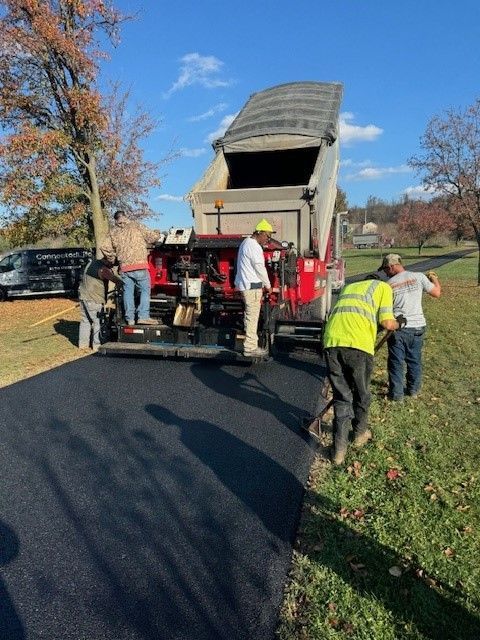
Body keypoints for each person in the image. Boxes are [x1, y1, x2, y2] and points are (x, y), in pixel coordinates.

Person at [323, 274, 400, 465]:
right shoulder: (383, 288)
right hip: (358, 346)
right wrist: (399, 322)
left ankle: (338, 453)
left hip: (331, 343)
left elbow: (355, 317)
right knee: (362, 394)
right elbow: (387, 323)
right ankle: (359, 435)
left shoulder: (349, 288)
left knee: (342, 397)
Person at [379, 253, 441, 401]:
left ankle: (397, 395)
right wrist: (434, 278)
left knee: (396, 362)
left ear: (392, 266)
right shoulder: (419, 277)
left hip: (398, 328)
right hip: (418, 327)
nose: (386, 273)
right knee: (414, 360)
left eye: (386, 270)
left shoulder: (388, 285)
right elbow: (437, 293)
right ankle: (413, 390)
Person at [100, 210, 164, 326]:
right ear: (125, 216)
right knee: (145, 290)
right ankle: (143, 316)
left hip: (124, 268)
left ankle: (130, 319)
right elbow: (152, 238)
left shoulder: (113, 232)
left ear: (116, 220)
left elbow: (104, 247)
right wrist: (158, 232)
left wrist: (113, 259)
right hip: (140, 266)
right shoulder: (136, 225)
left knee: (128, 293)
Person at [234, 219, 274, 357]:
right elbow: (259, 268)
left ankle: (249, 343)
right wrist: (268, 285)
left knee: (248, 316)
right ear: (260, 232)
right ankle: (250, 348)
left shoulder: (245, 243)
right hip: (252, 288)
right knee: (252, 317)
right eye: (267, 236)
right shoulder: (254, 246)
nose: (268, 240)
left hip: (245, 285)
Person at [78, 257, 123, 351]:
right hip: (94, 298)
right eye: (112, 264)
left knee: (85, 321)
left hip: (83, 296)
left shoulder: (92, 263)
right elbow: (114, 279)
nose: (112, 266)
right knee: (98, 321)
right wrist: (122, 283)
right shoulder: (103, 269)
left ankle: (83, 345)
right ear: (108, 260)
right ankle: (97, 345)